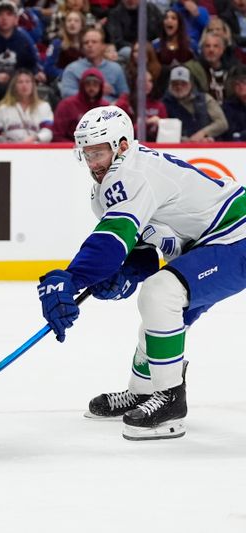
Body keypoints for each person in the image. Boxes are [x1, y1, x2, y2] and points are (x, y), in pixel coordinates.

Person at [36, 104, 246, 441]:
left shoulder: (132, 173)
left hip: (237, 235)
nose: (93, 164)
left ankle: (170, 401)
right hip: (209, 244)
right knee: (162, 307)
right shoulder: (109, 187)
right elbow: (144, 252)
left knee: (161, 294)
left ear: (121, 145)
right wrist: (122, 275)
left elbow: (109, 242)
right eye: (86, 154)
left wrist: (72, 279)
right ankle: (145, 391)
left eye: (99, 152)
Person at [60, 27, 129, 101]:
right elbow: (66, 93)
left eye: (94, 42)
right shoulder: (72, 69)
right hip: (83, 109)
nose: (90, 45)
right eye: (86, 43)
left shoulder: (115, 68)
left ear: (103, 46)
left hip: (109, 109)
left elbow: (125, 95)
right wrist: (94, 91)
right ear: (82, 47)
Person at [0, 69, 54, 143]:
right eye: (20, 82)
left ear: (33, 85)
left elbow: (48, 132)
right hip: (9, 151)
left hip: (35, 150)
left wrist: (35, 137)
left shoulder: (43, 107)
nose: (24, 85)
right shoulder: (2, 108)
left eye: (28, 82)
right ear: (14, 86)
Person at [163, 64, 228, 141]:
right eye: (175, 84)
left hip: (207, 145)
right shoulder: (164, 103)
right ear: (169, 85)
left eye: (183, 83)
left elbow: (222, 123)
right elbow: (164, 132)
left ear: (191, 84)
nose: (179, 87)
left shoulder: (205, 99)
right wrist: (189, 141)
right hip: (177, 148)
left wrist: (203, 133)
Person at [52, 67, 108, 141]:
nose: (91, 88)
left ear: (101, 86)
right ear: (82, 85)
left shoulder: (106, 107)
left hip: (99, 149)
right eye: (88, 84)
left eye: (95, 84)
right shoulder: (66, 105)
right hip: (71, 148)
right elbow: (57, 135)